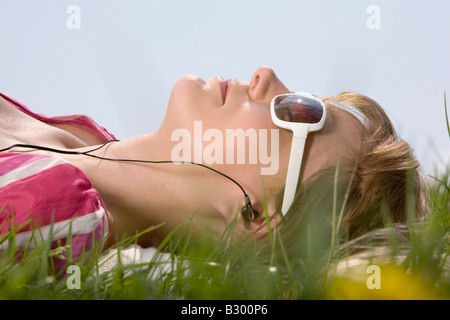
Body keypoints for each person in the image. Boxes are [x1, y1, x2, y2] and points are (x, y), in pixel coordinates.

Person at [0, 66, 429, 271]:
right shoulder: (84, 136)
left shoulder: (49, 209)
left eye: (302, 111)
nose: (266, 76)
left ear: (259, 217)